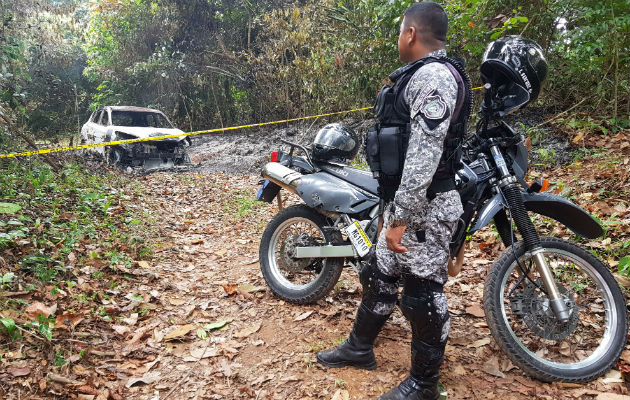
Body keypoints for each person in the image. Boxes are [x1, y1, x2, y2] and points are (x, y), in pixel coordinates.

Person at [317, 2, 471, 400]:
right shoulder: (417, 76)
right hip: (402, 203)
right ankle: (359, 348)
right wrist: (394, 211)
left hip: (425, 206)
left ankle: (424, 384)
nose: (398, 39)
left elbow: (424, 155)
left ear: (411, 34)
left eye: (399, 32)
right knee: (378, 275)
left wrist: (401, 216)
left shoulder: (434, 76)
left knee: (422, 294)